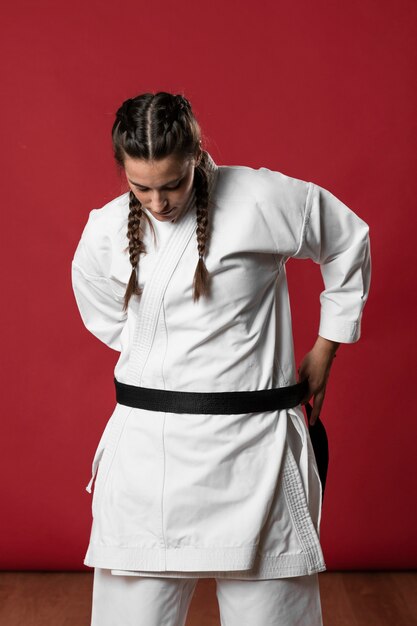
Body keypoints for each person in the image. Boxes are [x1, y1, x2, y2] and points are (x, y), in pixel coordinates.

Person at [71, 91, 371, 626]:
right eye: (142, 188)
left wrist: (327, 346)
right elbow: (109, 315)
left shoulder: (261, 198)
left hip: (252, 449)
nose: (159, 202)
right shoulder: (104, 230)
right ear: (123, 174)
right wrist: (171, 358)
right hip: (149, 456)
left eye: (173, 184)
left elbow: (348, 241)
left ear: (197, 158)